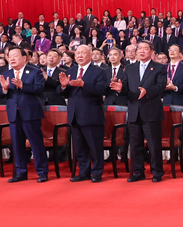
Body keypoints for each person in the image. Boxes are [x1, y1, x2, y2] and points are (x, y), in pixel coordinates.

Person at [110, 40, 167, 182]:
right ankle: (138, 172)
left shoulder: (159, 67)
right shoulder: (129, 68)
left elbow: (161, 86)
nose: (141, 51)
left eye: (145, 48)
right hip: (134, 111)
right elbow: (125, 88)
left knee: (154, 144)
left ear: (152, 51)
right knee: (135, 144)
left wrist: (147, 91)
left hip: (151, 111)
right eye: (139, 48)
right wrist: (120, 89)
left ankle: (157, 172)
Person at [58, 45, 107, 182]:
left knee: (95, 147)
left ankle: (96, 173)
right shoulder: (71, 71)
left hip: (92, 115)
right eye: (77, 53)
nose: (79, 55)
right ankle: (84, 172)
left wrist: (84, 85)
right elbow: (64, 93)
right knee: (79, 148)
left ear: (90, 55)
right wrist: (63, 86)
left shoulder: (99, 71)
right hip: (74, 115)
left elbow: (102, 89)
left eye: (83, 53)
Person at [1, 47, 49, 182]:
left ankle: (42, 172)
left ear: (24, 58)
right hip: (13, 114)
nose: (12, 59)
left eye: (15, 56)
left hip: (30, 114)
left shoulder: (34, 72)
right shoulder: (6, 74)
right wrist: (4, 89)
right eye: (10, 56)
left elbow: (40, 89)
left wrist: (23, 85)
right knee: (17, 145)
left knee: (36, 144)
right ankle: (21, 172)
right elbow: (2, 94)